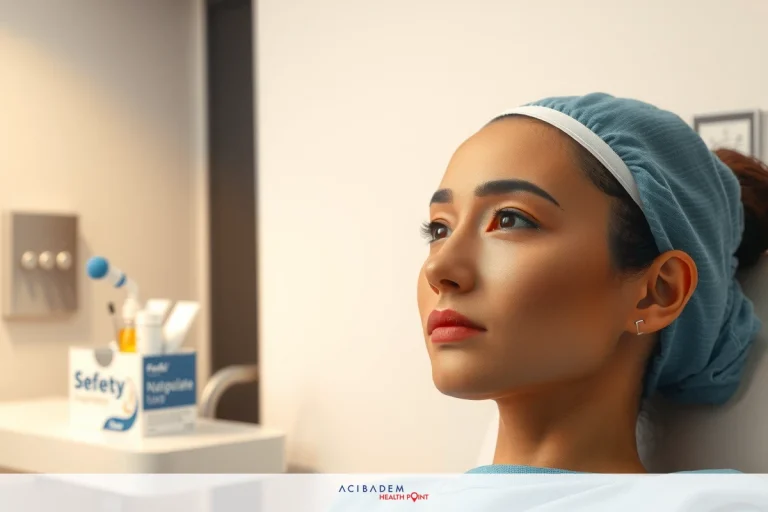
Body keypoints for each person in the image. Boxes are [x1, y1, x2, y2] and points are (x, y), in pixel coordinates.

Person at [416, 93, 768, 474]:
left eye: (510, 219)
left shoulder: (714, 502)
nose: (439, 267)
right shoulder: (389, 497)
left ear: (657, 293)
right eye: (439, 229)